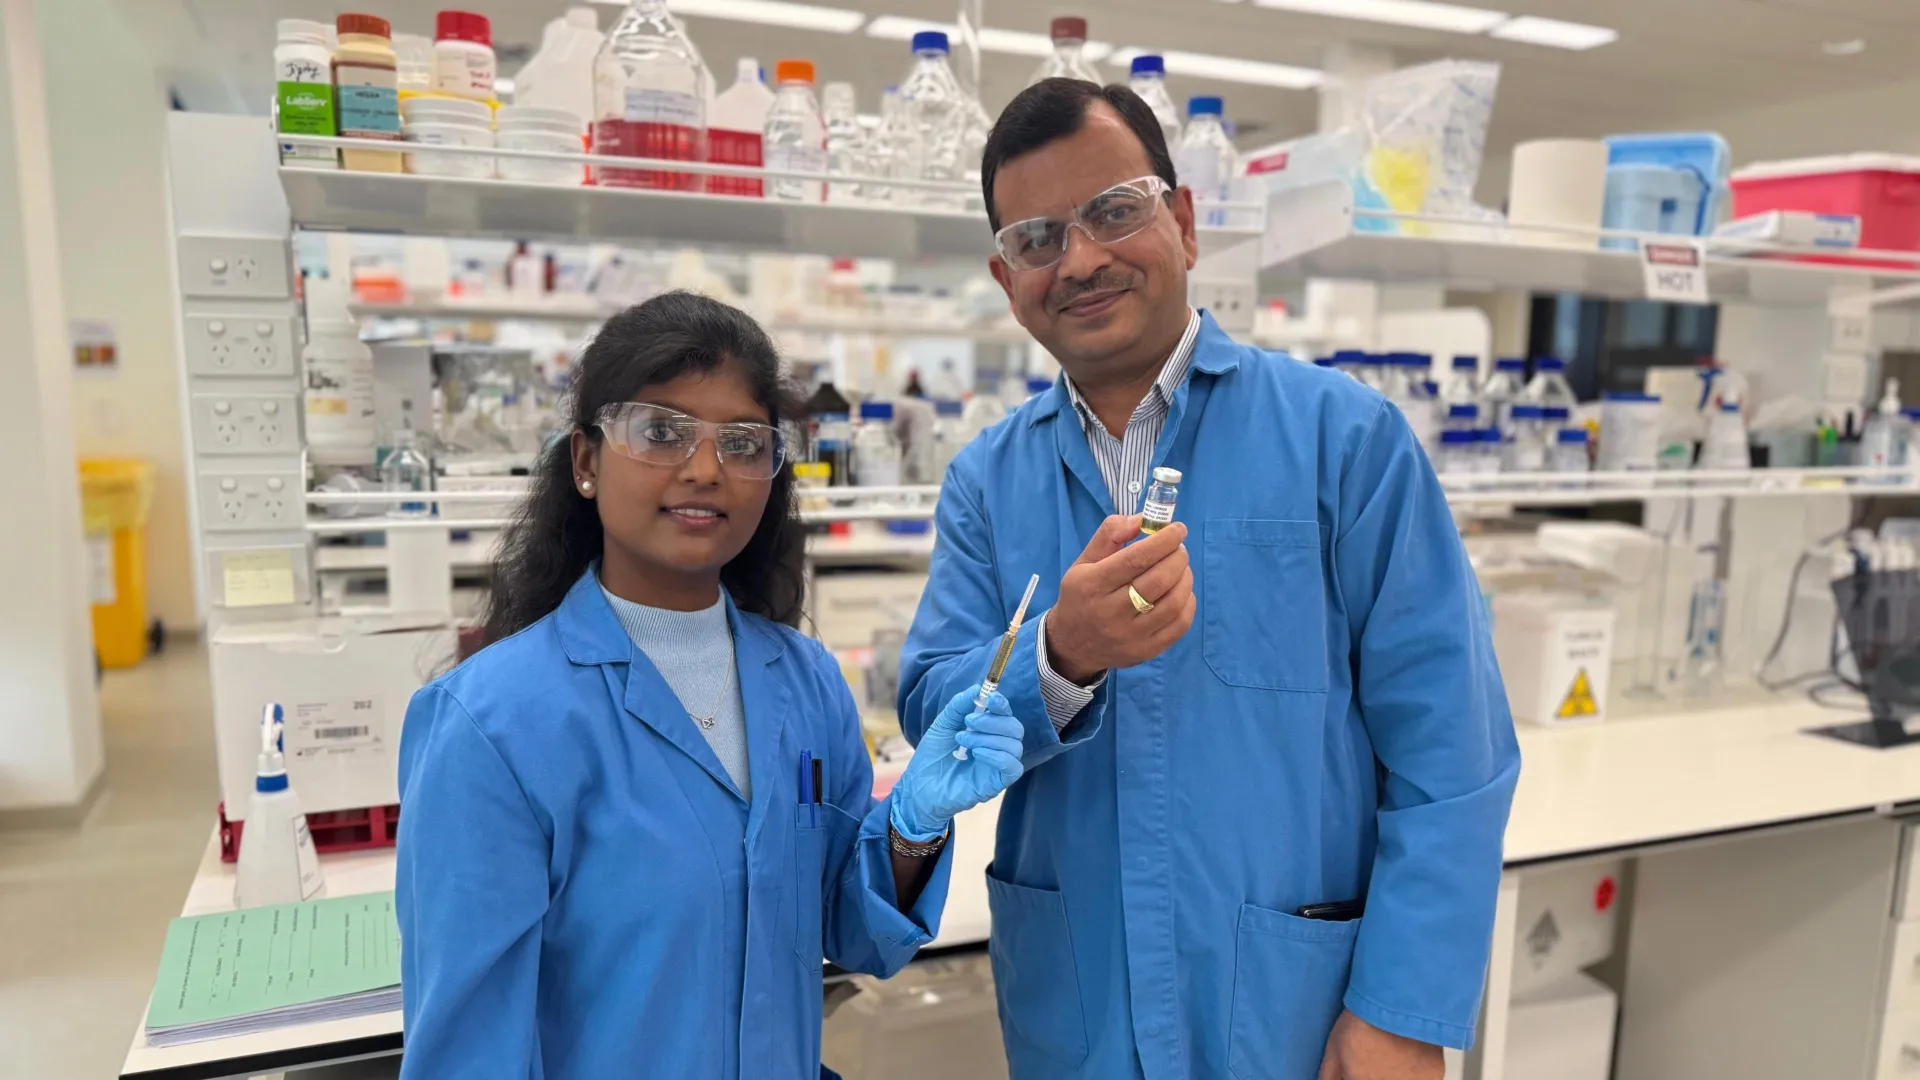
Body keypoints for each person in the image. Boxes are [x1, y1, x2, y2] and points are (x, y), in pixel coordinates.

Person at [898, 80, 1520, 1080]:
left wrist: (1402, 1011)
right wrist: (1060, 655)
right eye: (1039, 239)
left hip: (1296, 1003)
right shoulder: (987, 481)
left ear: (1184, 223)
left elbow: (1453, 747)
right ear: (1008, 281)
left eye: (1114, 211)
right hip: (1080, 999)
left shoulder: (1342, 440)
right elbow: (932, 707)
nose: (1081, 259)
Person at [396, 292, 1029, 1080]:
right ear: (585, 461)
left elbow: (851, 930)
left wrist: (914, 825)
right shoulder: (490, 723)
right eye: (660, 432)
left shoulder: (805, 681)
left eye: (741, 442)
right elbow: (467, 1056)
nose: (704, 470)